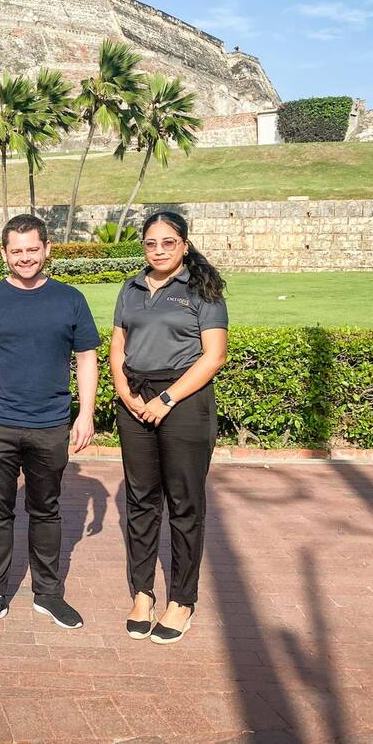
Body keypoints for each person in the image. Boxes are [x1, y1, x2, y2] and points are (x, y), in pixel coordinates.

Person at [0, 214, 100, 634]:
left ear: (47, 249)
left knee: (46, 509)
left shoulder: (70, 299)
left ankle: (48, 593)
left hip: (50, 424)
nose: (25, 257)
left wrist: (86, 413)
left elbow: (86, 358)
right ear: (4, 253)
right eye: (16, 251)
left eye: (32, 249)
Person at [111, 211, 229, 645]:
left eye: (168, 242)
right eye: (151, 243)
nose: (158, 250)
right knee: (141, 501)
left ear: (184, 245)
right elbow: (118, 345)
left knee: (184, 504)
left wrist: (166, 399)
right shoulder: (131, 287)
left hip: (183, 401)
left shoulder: (201, 288)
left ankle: (182, 600)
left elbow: (214, 356)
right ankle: (142, 593)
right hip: (135, 399)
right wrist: (125, 392)